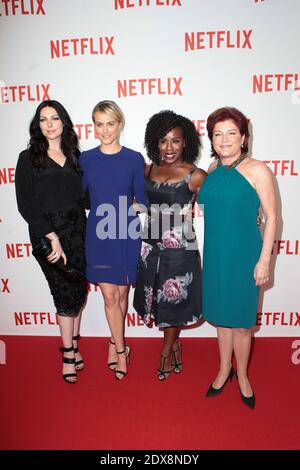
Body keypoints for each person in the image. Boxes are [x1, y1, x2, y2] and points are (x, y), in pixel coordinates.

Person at [199, 106, 277, 408]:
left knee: (242, 323)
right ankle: (224, 369)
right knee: (221, 320)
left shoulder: (258, 170)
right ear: (212, 140)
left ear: (243, 137)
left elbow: (272, 217)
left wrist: (263, 260)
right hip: (217, 254)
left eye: (231, 133)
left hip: (246, 256)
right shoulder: (213, 172)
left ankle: (242, 374)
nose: (225, 139)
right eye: (218, 134)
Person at [15, 100, 88, 384]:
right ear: (37, 125)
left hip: (78, 230)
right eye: (43, 119)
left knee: (78, 291)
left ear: (64, 122)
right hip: (47, 234)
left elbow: (84, 198)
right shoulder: (28, 158)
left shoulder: (74, 155)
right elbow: (26, 204)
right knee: (63, 292)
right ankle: (68, 354)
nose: (49, 124)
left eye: (54, 118)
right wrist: (52, 236)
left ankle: (75, 345)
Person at [133, 110, 206, 380]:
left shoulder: (195, 175)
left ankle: (165, 352)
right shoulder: (147, 169)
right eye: (163, 141)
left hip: (180, 247)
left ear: (185, 142)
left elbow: (218, 204)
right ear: (155, 142)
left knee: (173, 299)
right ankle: (175, 345)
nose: (169, 147)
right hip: (150, 243)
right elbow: (135, 200)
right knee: (158, 301)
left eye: (175, 141)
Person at [79, 100, 146, 380]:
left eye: (110, 123)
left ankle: (113, 340)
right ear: (93, 126)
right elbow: (79, 198)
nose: (104, 130)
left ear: (120, 124)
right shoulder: (85, 159)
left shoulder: (134, 159)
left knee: (121, 295)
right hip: (98, 232)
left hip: (125, 231)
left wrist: (124, 210)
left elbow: (141, 201)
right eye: (99, 124)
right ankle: (121, 351)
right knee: (109, 296)